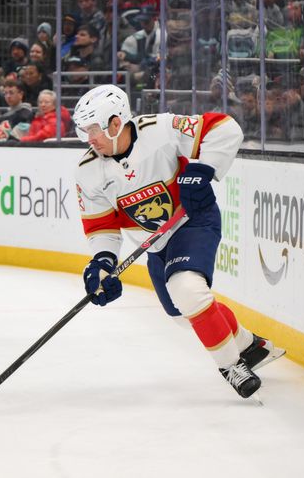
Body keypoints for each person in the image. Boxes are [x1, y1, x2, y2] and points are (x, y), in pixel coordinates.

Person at [72, 85, 284, 399]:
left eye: (93, 130)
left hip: (193, 221)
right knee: (182, 314)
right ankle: (249, 344)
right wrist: (103, 262)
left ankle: (232, 367)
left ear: (116, 123)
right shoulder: (88, 171)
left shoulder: (160, 129)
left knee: (187, 288)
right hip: (156, 245)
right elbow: (102, 226)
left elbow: (224, 128)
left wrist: (202, 168)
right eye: (83, 131)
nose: (89, 139)